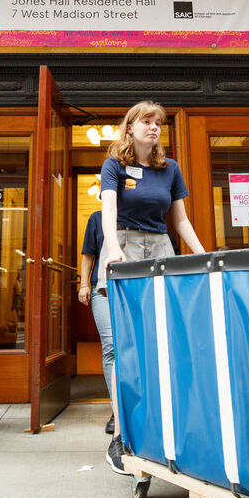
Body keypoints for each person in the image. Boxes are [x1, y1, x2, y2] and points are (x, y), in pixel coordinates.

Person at [98, 101, 205, 474]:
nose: (155, 127)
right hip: (123, 248)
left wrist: (203, 256)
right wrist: (113, 248)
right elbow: (107, 210)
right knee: (118, 345)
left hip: (160, 248)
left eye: (159, 122)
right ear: (130, 127)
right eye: (146, 121)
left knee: (163, 341)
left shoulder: (169, 169)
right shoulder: (113, 165)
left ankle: (164, 427)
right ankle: (121, 435)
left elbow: (180, 220)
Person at [77, 209, 114, 435]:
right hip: (102, 289)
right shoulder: (97, 218)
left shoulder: (138, 213)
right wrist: (83, 284)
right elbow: (88, 255)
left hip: (133, 288)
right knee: (111, 347)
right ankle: (116, 409)